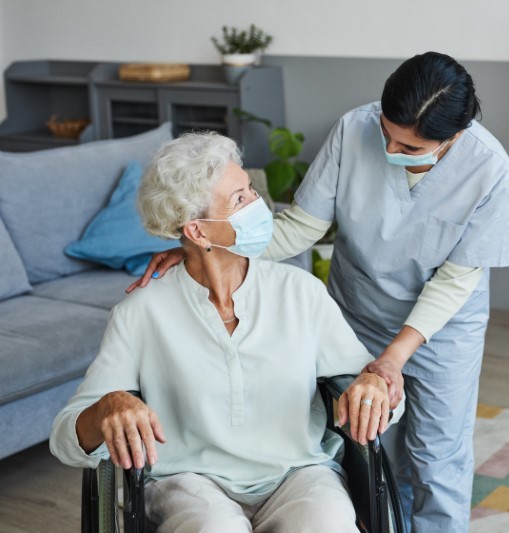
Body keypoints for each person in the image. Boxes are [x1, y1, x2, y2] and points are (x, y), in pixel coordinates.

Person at [129, 51, 509, 532]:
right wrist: (203, 246)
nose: (391, 151)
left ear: (453, 137)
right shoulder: (353, 130)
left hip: (443, 327)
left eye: (411, 149)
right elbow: (299, 229)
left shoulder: (491, 171)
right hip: (360, 310)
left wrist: (395, 358)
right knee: (374, 449)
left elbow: (456, 279)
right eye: (387, 133)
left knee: (438, 454)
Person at [50, 132, 400, 533]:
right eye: (240, 199)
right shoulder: (141, 314)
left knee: (329, 525)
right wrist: (108, 405)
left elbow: (379, 393)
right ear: (198, 232)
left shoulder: (300, 291)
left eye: (250, 189)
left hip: (298, 473)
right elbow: (65, 438)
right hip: (189, 483)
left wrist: (374, 386)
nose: (260, 205)